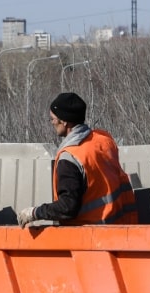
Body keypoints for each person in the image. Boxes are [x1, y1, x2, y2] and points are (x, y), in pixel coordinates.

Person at [18, 92, 137, 227]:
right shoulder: (104, 140)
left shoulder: (70, 158)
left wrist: (35, 213)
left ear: (64, 121)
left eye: (52, 119)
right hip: (122, 228)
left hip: (90, 238)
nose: (52, 123)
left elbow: (67, 207)